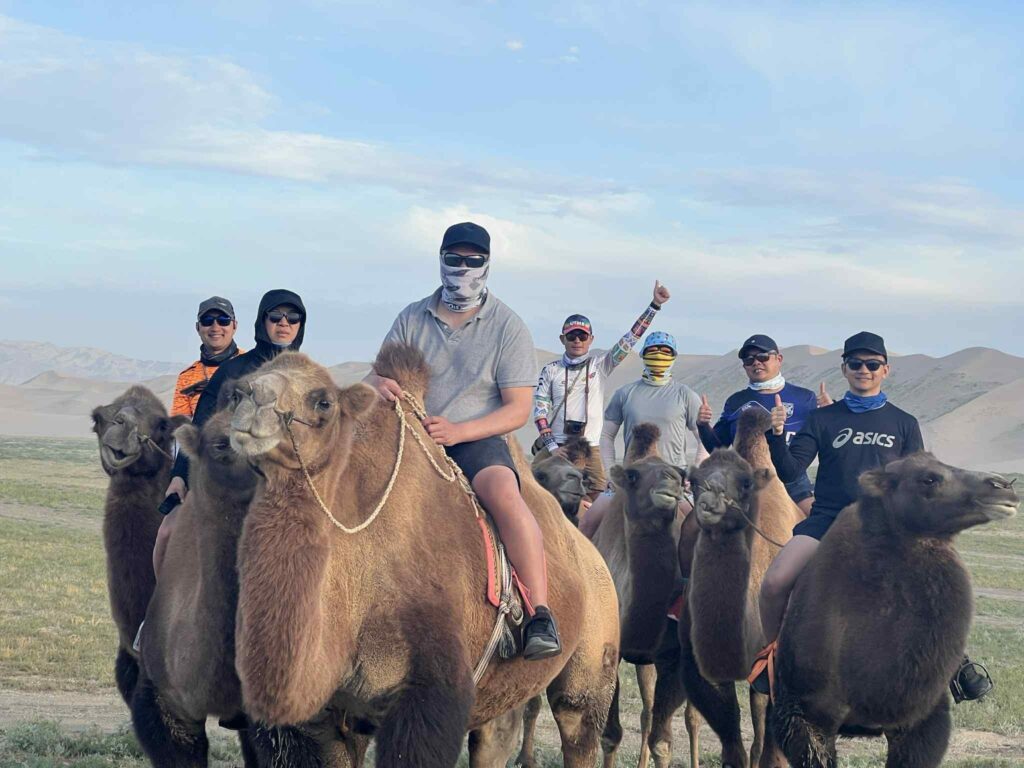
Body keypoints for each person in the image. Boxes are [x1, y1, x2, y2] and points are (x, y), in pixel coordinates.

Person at [749, 331, 992, 701]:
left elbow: (920, 480)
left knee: (940, 583)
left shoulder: (904, 423)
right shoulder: (822, 418)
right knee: (775, 583)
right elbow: (791, 470)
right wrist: (777, 435)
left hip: (886, 526)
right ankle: (775, 658)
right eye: (856, 364)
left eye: (872, 364)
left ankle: (954, 664)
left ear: (885, 370)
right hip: (827, 519)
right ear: (844, 369)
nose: (864, 370)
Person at [364, 221, 560, 661]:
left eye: (473, 261)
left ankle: (540, 614)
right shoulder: (412, 317)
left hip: (474, 438)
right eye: (454, 259)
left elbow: (518, 409)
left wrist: (458, 431)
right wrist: (376, 385)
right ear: (440, 260)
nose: (463, 268)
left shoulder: (508, 326)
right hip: (409, 438)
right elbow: (376, 375)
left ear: (487, 265)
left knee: (505, 494)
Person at [154, 289, 307, 576]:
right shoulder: (233, 370)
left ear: (301, 324)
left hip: (288, 485)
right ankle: (157, 614)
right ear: (263, 322)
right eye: (275, 316)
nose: (284, 323)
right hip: (234, 481)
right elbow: (199, 425)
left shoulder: (306, 375)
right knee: (168, 533)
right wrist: (179, 475)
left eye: (293, 317)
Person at [533, 282, 671, 503]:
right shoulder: (550, 370)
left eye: (582, 336)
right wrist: (551, 446)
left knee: (599, 498)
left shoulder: (601, 365)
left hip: (591, 448)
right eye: (571, 336)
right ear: (562, 339)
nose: (577, 340)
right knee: (534, 493)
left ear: (591, 340)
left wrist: (654, 306)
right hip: (558, 446)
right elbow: (540, 412)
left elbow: (630, 339)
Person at [579, 331, 708, 539]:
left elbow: (705, 437)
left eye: (665, 351)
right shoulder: (625, 393)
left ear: (674, 356)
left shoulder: (686, 395)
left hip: (673, 479)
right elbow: (606, 436)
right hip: (631, 478)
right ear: (643, 354)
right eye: (653, 350)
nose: (659, 354)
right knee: (587, 524)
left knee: (700, 529)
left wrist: (695, 472)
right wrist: (613, 472)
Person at [696, 334, 828, 516]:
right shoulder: (736, 401)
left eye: (763, 357)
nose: (756, 362)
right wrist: (703, 425)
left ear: (778, 359)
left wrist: (830, 413)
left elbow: (825, 440)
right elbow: (717, 447)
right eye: (749, 360)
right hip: (744, 483)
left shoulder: (805, 398)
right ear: (744, 366)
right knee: (704, 525)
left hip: (792, 483)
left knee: (822, 526)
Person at [171, 297, 244, 419]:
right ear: (198, 327)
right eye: (207, 320)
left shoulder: (253, 366)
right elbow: (179, 428)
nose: (215, 327)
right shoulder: (187, 377)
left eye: (223, 320)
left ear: (234, 326)